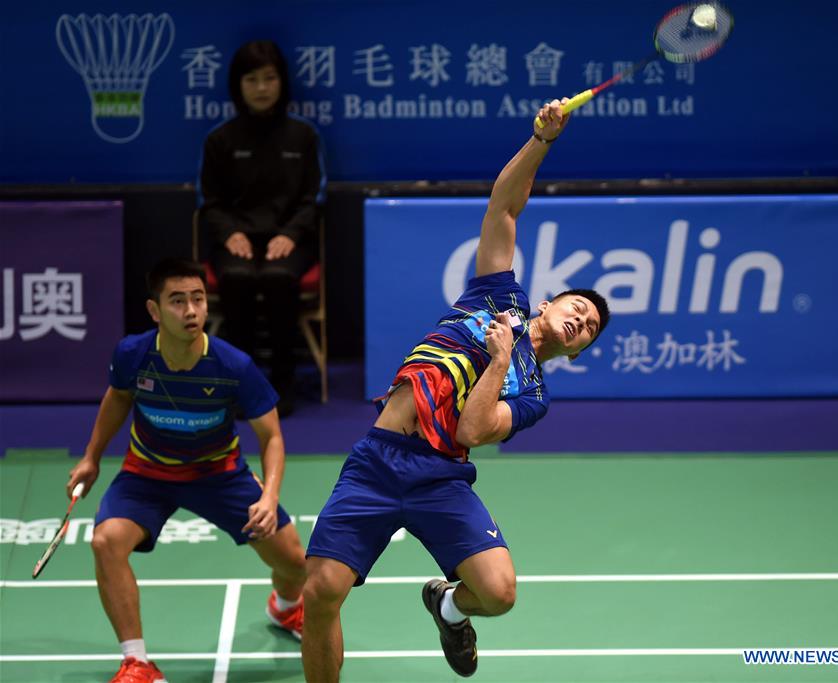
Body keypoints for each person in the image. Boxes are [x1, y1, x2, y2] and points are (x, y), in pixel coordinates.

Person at [300, 100, 610, 681]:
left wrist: (500, 361)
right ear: (548, 302)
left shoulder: (533, 394)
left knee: (499, 593)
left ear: (577, 352)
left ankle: (447, 605)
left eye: (589, 328)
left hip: (440, 476)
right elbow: (504, 207)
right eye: (578, 308)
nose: (581, 321)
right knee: (319, 593)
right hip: (380, 459)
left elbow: (472, 429)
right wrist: (541, 140)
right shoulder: (496, 295)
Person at [66, 259, 308, 683]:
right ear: (155, 310)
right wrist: (91, 457)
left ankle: (286, 607)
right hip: (147, 474)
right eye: (177, 301)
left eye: (198, 299)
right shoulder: (133, 354)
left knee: (295, 563)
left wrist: (269, 496)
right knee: (105, 541)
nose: (191, 310)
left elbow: (271, 436)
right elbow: (118, 398)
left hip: (219, 474)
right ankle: (136, 661)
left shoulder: (233, 365)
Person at [198, 39, 325, 416]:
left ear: (282, 82)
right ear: (238, 85)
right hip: (234, 242)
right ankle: (241, 385)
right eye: (251, 79)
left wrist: (290, 234)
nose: (262, 87)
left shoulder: (304, 136)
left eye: (269, 78)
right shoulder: (219, 139)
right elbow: (209, 201)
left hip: (290, 241)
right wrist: (229, 233)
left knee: (277, 278)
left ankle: (282, 384)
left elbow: (314, 197)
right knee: (236, 278)